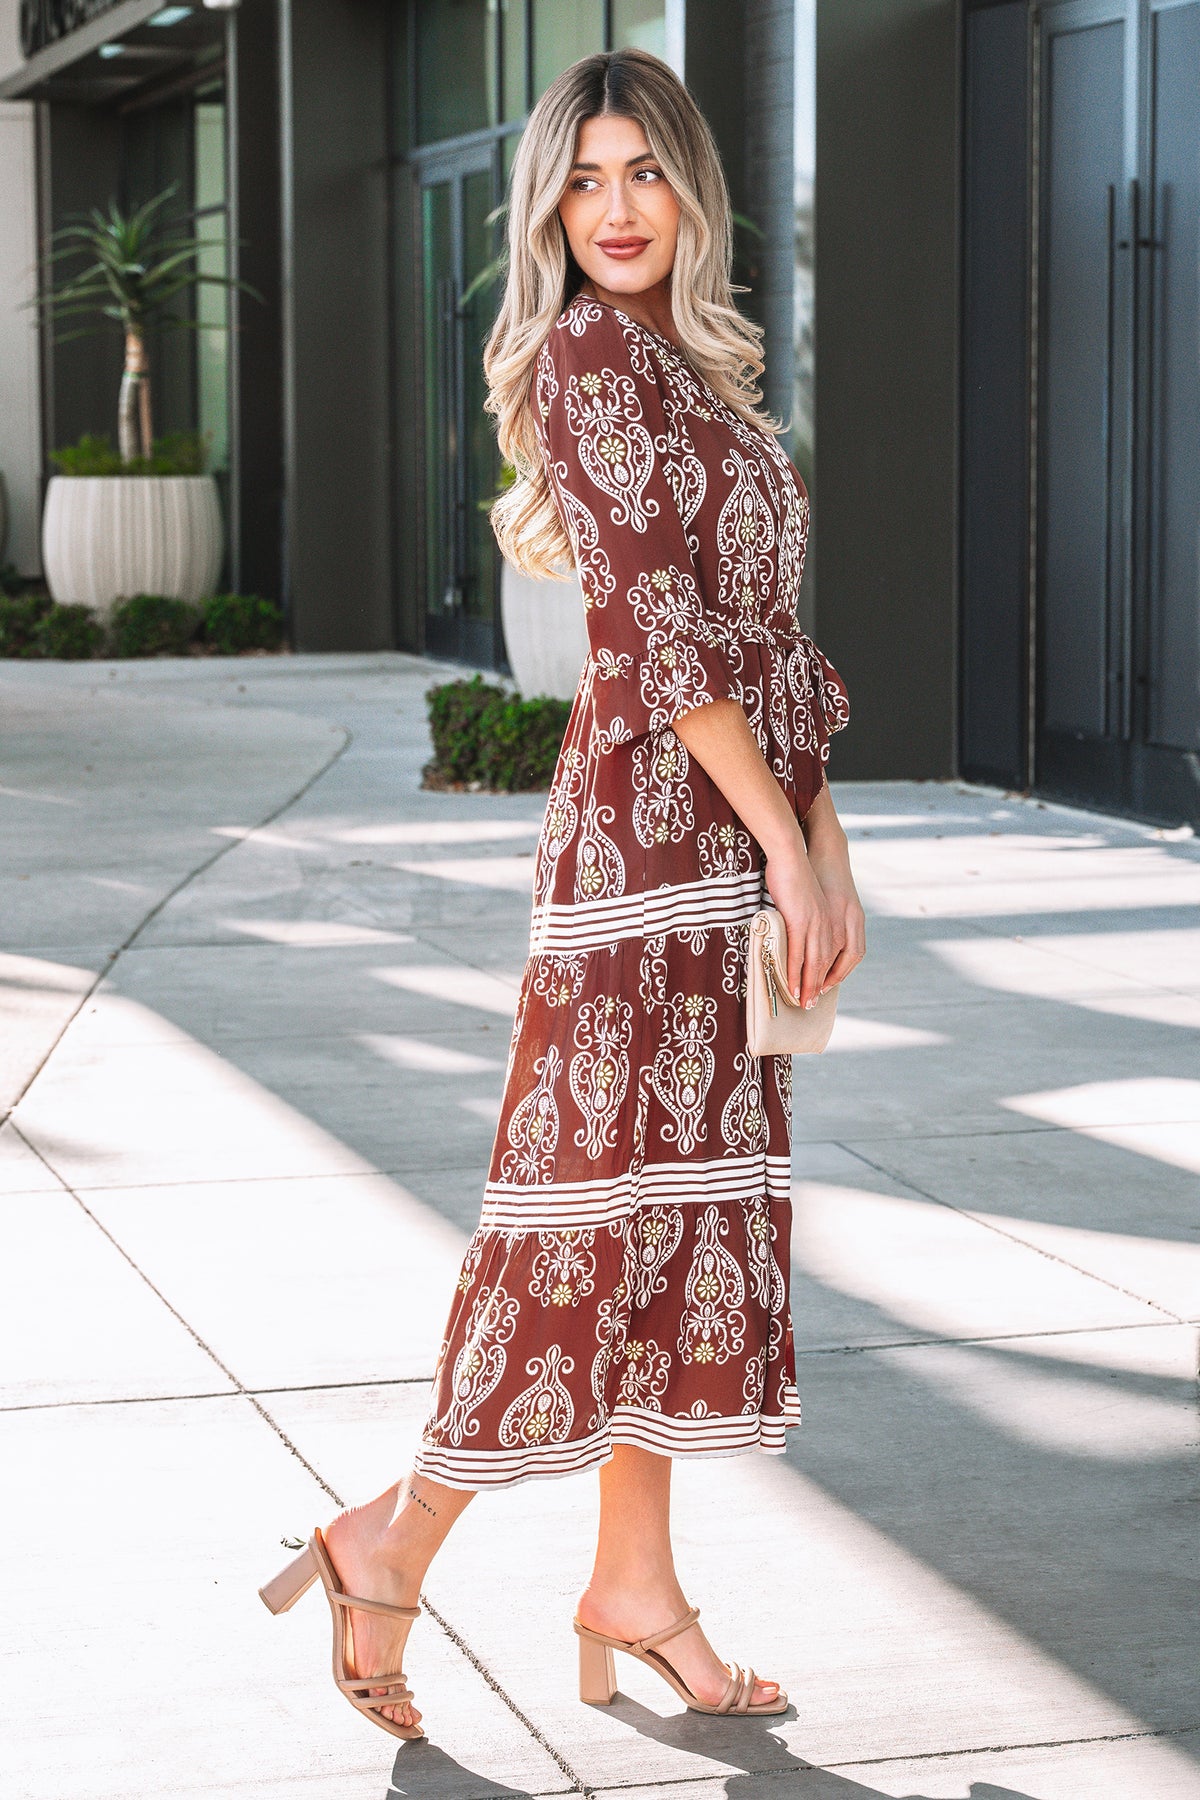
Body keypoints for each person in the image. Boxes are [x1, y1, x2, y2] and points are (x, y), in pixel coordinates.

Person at [259, 45, 864, 1742]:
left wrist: (825, 848)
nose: (613, 212)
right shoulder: (595, 358)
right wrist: (782, 839)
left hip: (728, 845)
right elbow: (664, 647)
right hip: (645, 857)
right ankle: (397, 1532)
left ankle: (633, 1583)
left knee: (672, 1229)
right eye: (583, 180)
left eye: (643, 174)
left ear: (692, 192)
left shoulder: (704, 376)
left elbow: (773, 643)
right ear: (551, 206)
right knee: (584, 1223)